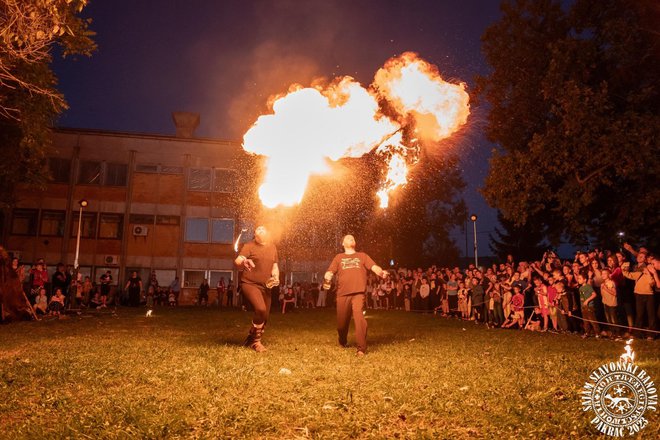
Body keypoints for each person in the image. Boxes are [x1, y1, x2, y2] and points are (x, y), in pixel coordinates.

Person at [323, 234, 388, 356]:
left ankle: (361, 349)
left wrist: (381, 272)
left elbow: (374, 267)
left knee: (359, 319)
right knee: (342, 325)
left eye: (352, 238)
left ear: (355, 242)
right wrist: (328, 277)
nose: (350, 238)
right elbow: (330, 271)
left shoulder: (362, 256)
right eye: (347, 238)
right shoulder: (338, 257)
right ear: (342, 243)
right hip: (343, 294)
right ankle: (342, 340)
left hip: (358, 293)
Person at [234, 225, 279, 352]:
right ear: (255, 234)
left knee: (265, 317)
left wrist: (276, 276)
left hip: (266, 286)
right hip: (250, 283)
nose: (259, 229)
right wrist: (244, 261)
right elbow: (238, 260)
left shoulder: (272, 247)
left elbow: (275, 266)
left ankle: (251, 336)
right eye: (257, 229)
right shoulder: (249, 246)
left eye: (263, 228)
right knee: (260, 309)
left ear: (268, 233)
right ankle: (256, 342)